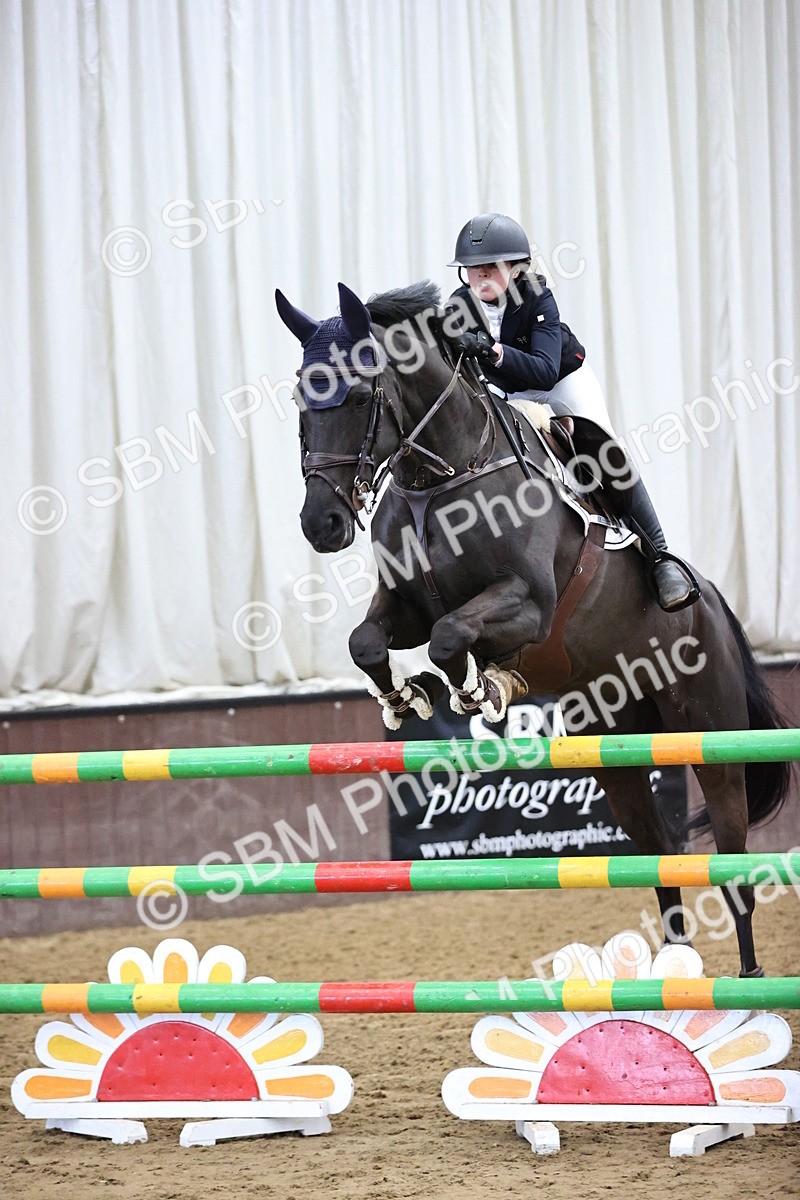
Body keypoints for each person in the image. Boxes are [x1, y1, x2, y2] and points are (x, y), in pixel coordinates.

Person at [447, 212, 698, 612]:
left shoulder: (537, 298)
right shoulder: (459, 305)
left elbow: (544, 371)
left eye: (491, 267)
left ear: (514, 269)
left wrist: (491, 350)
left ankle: (661, 558)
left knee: (603, 449)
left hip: (562, 381)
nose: (481, 278)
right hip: (507, 389)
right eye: (472, 269)